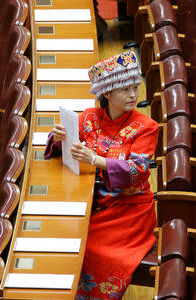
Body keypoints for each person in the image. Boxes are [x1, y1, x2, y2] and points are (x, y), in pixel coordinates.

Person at [44, 51, 159, 300]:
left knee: (89, 247)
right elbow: (64, 149)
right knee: (60, 234)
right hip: (93, 200)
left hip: (129, 211)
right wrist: (58, 138)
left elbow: (137, 171)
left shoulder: (147, 127)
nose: (133, 95)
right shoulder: (89, 117)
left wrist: (94, 160)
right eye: (125, 89)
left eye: (135, 88)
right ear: (107, 93)